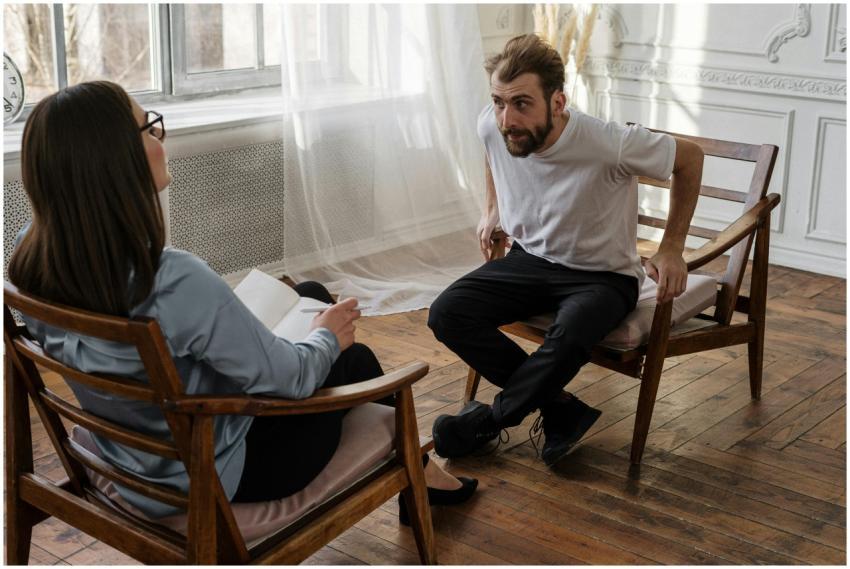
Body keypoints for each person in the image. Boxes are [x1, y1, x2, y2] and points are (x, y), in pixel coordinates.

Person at [8, 80, 475, 526]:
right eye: (149, 127)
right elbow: (290, 380)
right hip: (224, 471)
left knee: (309, 295)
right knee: (353, 356)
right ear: (116, 161)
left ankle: (420, 476)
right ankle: (418, 475)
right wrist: (329, 340)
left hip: (132, 454)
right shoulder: (169, 278)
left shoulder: (31, 265)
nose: (159, 136)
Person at [428, 34, 703, 466]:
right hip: (530, 259)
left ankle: (488, 422)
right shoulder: (495, 123)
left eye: (522, 104)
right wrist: (492, 208)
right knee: (447, 313)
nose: (507, 119)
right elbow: (492, 148)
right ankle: (560, 409)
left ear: (558, 102)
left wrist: (671, 247)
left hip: (603, 277)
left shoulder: (607, 141)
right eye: (499, 102)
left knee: (570, 333)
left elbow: (690, 157)